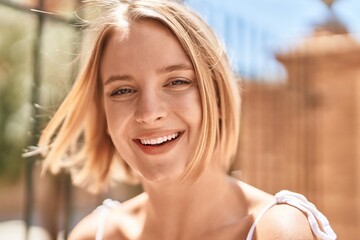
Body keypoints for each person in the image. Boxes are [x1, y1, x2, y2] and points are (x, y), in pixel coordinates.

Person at [31, 0, 337, 239]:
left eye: (177, 82)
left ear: (215, 97)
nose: (149, 113)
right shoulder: (93, 234)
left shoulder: (275, 231)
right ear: (104, 112)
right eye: (123, 90)